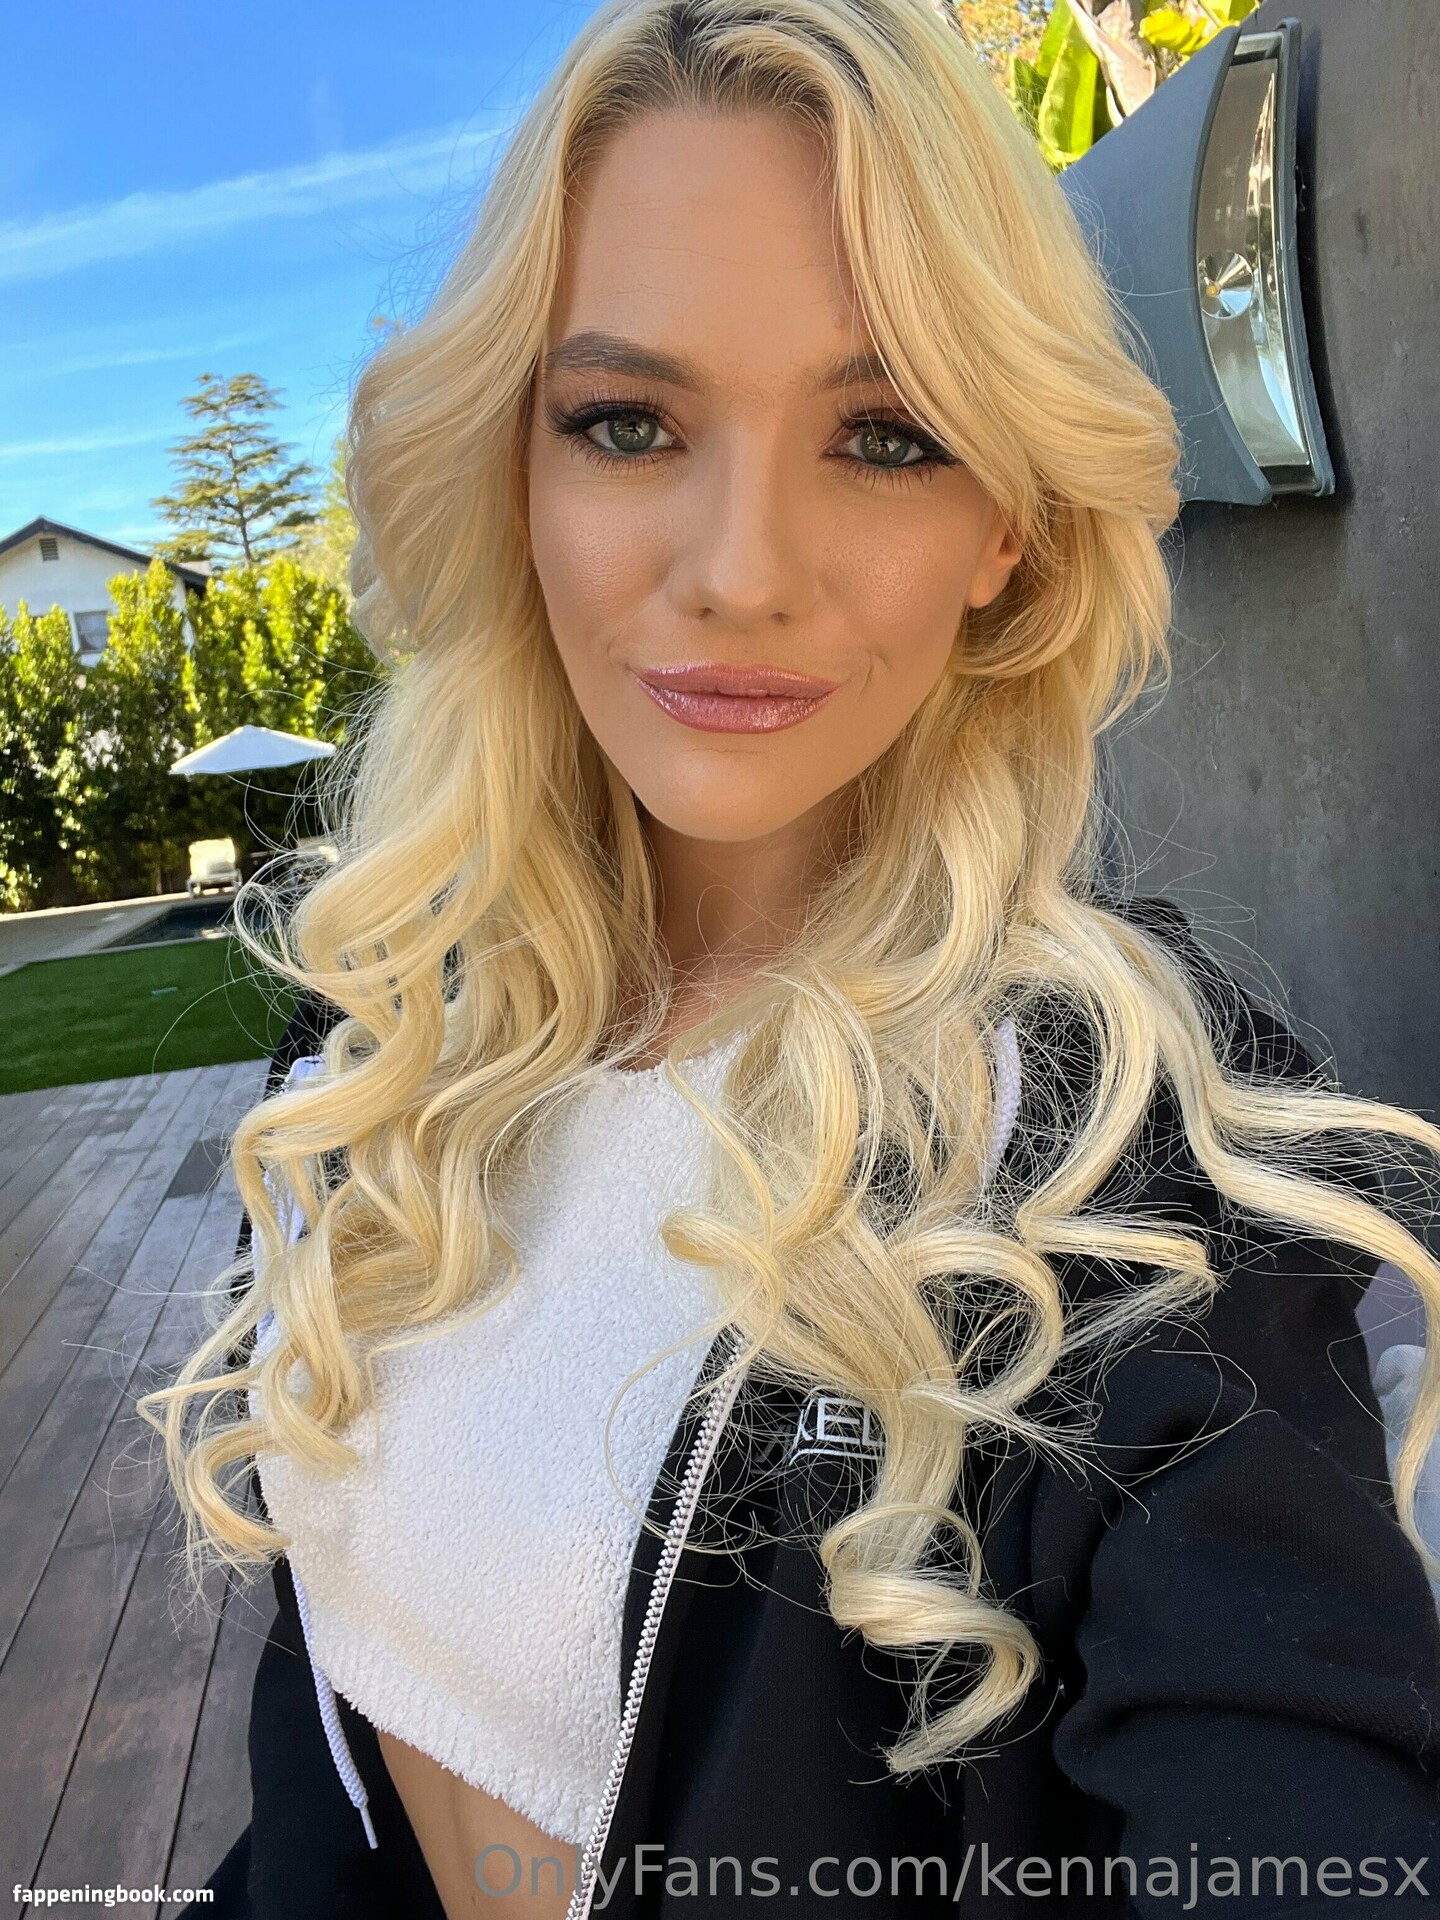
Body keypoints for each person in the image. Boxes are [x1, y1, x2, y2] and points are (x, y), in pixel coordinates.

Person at [143, 2, 1440, 1915]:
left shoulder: (1140, 1177)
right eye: (628, 423)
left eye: (887, 436)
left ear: (1007, 524)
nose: (744, 568)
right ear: (516, 473)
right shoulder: (383, 1060)